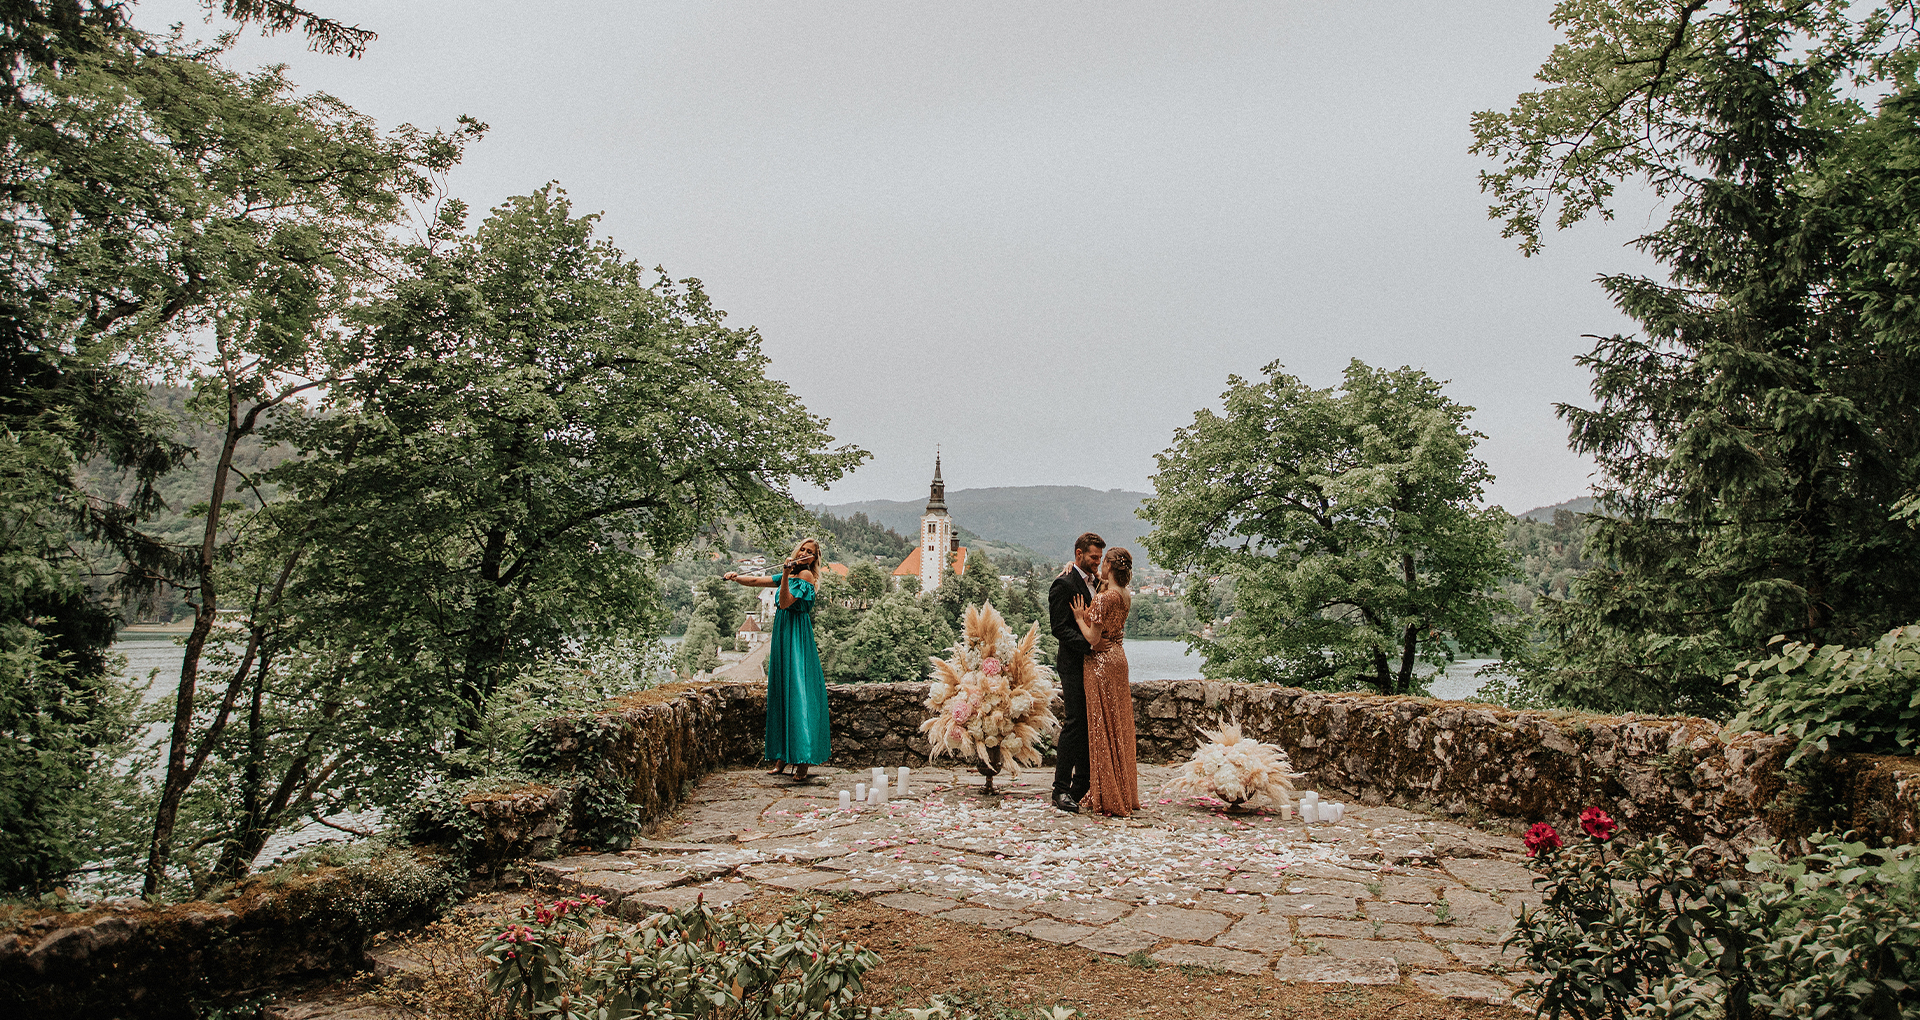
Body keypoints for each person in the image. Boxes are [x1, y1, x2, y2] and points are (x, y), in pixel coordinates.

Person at [724, 539, 830, 780]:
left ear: (814, 559)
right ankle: (783, 756)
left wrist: (784, 574)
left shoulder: (804, 576)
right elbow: (754, 581)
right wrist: (736, 577)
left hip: (796, 637)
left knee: (798, 693)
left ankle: (803, 760)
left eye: (809, 552)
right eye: (802, 549)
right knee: (782, 692)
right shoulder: (791, 573)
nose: (804, 553)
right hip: (782, 636)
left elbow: (784, 602)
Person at [1070, 547, 1139, 817]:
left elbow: (1092, 638)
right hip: (1119, 659)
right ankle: (1123, 790)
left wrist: (1078, 618)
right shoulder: (1124, 595)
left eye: (1103, 562)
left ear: (1109, 567)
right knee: (1118, 724)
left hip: (1100, 663)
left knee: (1101, 725)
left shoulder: (1102, 599)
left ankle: (1108, 793)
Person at [1048, 532, 1106, 812]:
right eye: (1094, 557)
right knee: (1074, 723)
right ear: (1079, 554)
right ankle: (1060, 790)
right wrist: (1089, 646)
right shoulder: (1063, 583)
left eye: (1100, 557)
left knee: (1089, 723)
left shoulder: (1098, 583)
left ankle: (1081, 785)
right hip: (1073, 663)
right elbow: (1058, 628)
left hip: (1094, 665)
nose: (1098, 561)